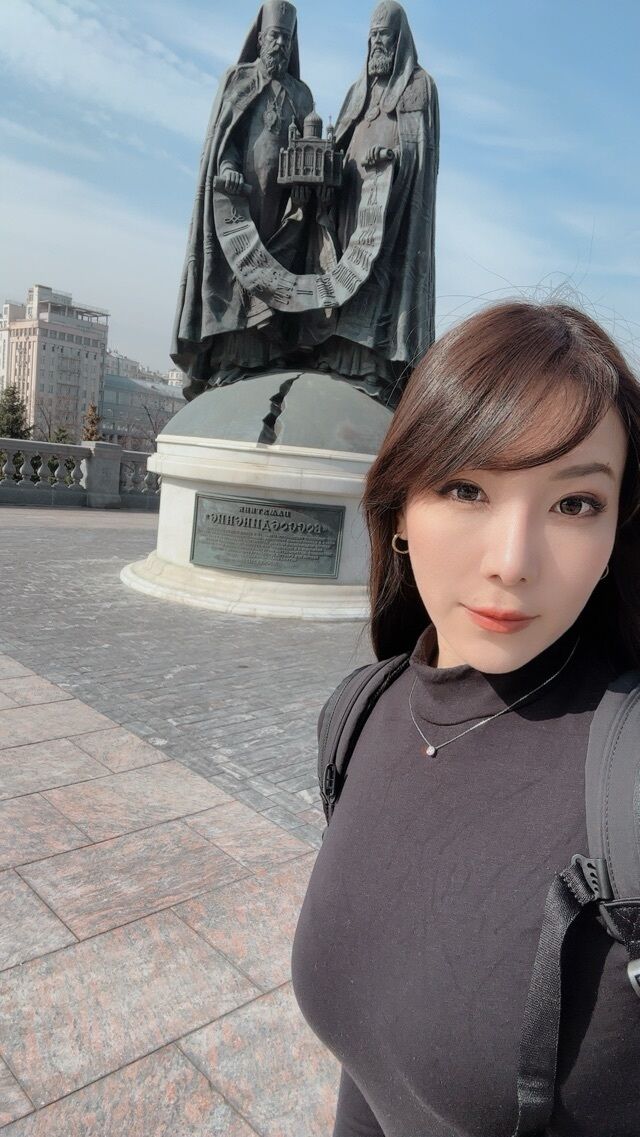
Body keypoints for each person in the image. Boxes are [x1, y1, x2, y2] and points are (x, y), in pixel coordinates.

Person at [290, 300, 640, 1136]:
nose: (512, 562)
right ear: (400, 509)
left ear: (618, 528)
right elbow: (369, 1076)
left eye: (575, 503)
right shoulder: (361, 716)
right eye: (466, 488)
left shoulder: (625, 779)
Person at [170, 1, 316, 400]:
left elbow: (310, 144)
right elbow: (226, 139)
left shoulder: (301, 94)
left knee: (276, 274)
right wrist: (229, 166)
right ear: (261, 38)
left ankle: (271, 354)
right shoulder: (238, 79)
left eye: (286, 39)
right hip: (239, 202)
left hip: (283, 207)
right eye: (275, 37)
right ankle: (230, 360)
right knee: (236, 276)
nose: (280, 45)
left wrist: (307, 186)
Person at [308, 0, 439, 408]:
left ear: (400, 40)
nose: (378, 43)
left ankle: (373, 368)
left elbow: (419, 151)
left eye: (385, 36)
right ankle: (333, 354)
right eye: (373, 36)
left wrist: (391, 161)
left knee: (379, 283)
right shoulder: (357, 90)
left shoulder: (418, 85)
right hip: (350, 204)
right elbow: (340, 139)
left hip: (392, 209)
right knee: (342, 277)